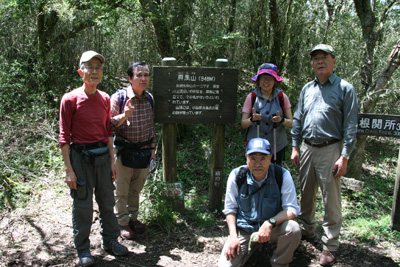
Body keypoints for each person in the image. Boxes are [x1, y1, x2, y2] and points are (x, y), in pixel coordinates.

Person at [291, 44, 358, 266]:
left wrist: (345, 155)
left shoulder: (345, 88)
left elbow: (350, 124)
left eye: (324, 57)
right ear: (311, 64)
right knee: (306, 193)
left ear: (334, 61)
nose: (320, 61)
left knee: (331, 199)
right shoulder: (307, 89)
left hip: (332, 148)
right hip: (307, 147)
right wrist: (294, 145)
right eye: (315, 58)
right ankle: (306, 229)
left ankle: (330, 244)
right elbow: (299, 118)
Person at [59, 51, 128, 266]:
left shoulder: (105, 98)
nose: (94, 72)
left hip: (102, 157)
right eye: (90, 67)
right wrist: (69, 169)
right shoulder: (70, 99)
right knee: (82, 205)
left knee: (107, 202)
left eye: (98, 68)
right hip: (80, 158)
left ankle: (110, 241)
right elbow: (64, 137)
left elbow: (107, 131)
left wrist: (112, 160)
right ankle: (83, 250)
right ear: (81, 72)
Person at [218, 138, 301, 267]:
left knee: (293, 229)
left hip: (273, 228)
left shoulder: (282, 175)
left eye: (263, 158)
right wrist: (233, 237)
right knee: (225, 265)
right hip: (245, 229)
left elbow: (292, 209)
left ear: (271, 158)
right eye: (253, 158)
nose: (257, 164)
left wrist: (270, 223)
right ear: (246, 158)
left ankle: (280, 263)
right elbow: (230, 209)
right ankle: (251, 250)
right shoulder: (237, 176)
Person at [110, 62, 156, 240]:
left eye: (146, 74)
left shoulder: (149, 98)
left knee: (136, 189)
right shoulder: (119, 98)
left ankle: (133, 219)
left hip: (144, 152)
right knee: (121, 190)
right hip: (124, 152)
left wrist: (152, 149)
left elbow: (151, 127)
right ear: (130, 78)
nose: (143, 78)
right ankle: (122, 223)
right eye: (139, 75)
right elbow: (108, 126)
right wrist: (124, 115)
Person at [241, 63, 293, 165]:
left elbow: (291, 123)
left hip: (276, 147)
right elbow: (243, 124)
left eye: (270, 78)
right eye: (263, 78)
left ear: (275, 81)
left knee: (275, 175)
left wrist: (281, 120)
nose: (266, 81)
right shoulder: (251, 97)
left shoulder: (282, 97)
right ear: (258, 80)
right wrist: (252, 119)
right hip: (255, 148)